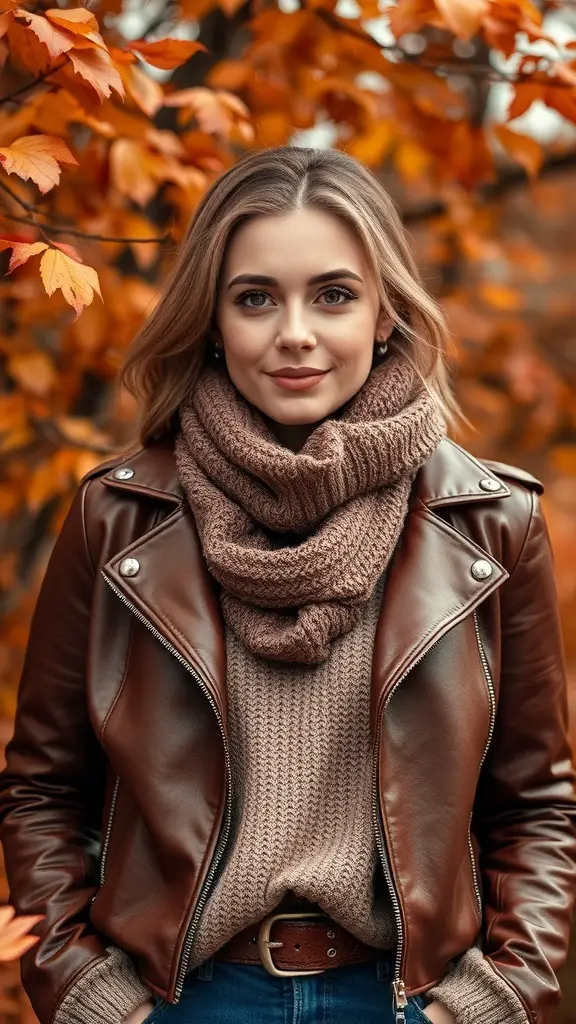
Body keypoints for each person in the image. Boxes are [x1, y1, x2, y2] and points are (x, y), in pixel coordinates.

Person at [0, 146, 575, 1024]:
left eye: (334, 295)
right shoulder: (119, 519)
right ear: (214, 319)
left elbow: (537, 805)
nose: (295, 331)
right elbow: (43, 788)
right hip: (180, 999)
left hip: (406, 1001)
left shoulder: (490, 523)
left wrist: (491, 1001)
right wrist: (90, 993)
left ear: (385, 314)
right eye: (256, 297)